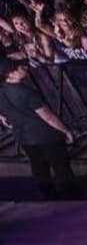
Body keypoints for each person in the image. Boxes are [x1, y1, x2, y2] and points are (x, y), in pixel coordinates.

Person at [0, 57, 78, 198]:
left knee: (38, 166)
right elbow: (47, 116)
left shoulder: (2, 91)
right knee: (60, 166)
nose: (25, 68)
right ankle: (70, 195)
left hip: (24, 136)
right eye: (19, 68)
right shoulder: (27, 92)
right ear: (10, 74)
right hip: (46, 136)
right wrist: (65, 131)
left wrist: (3, 117)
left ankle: (47, 194)